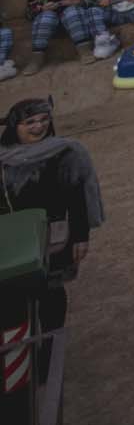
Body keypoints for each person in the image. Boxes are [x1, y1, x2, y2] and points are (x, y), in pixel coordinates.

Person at [0, 97, 102, 330]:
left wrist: (80, 235)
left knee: (51, 293)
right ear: (15, 126)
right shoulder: (2, 160)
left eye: (44, 120)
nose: (39, 126)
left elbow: (77, 197)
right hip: (11, 244)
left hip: (52, 238)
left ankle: (51, 340)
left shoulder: (66, 154)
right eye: (30, 122)